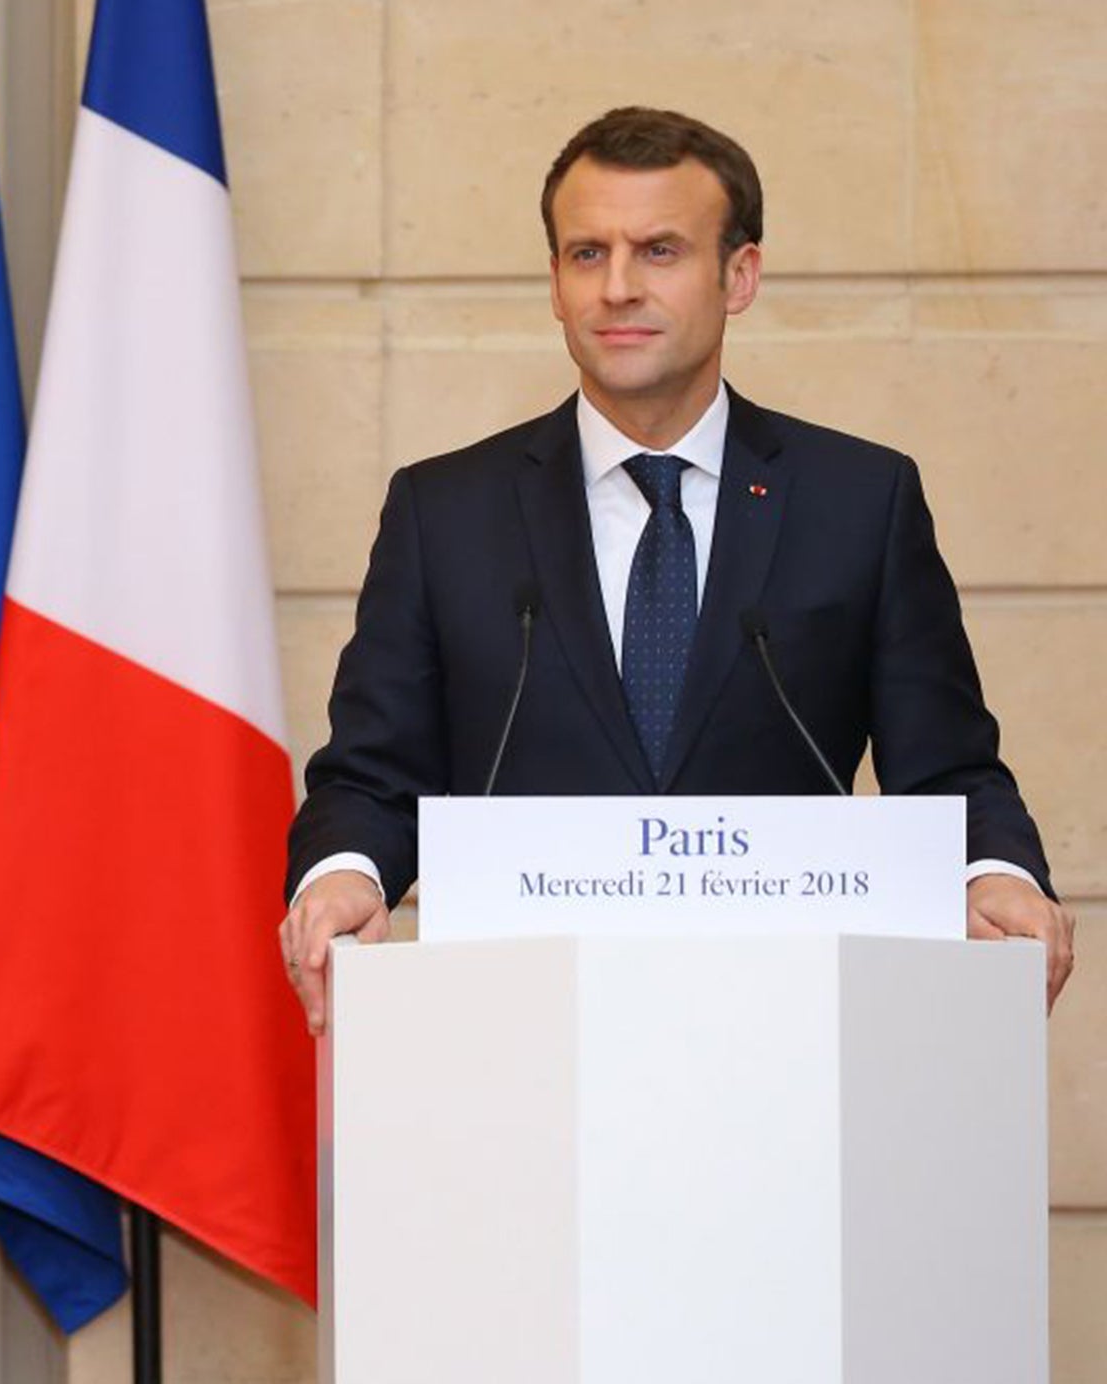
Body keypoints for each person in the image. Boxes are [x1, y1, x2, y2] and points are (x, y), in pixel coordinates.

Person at [277, 105, 1075, 1031]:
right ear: (553, 280)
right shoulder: (445, 511)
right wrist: (343, 877)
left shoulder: (860, 501)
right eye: (587, 253)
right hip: (517, 1046)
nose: (617, 287)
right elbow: (372, 779)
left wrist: (999, 876)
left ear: (740, 275)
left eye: (659, 251)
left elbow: (948, 772)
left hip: (793, 1041)